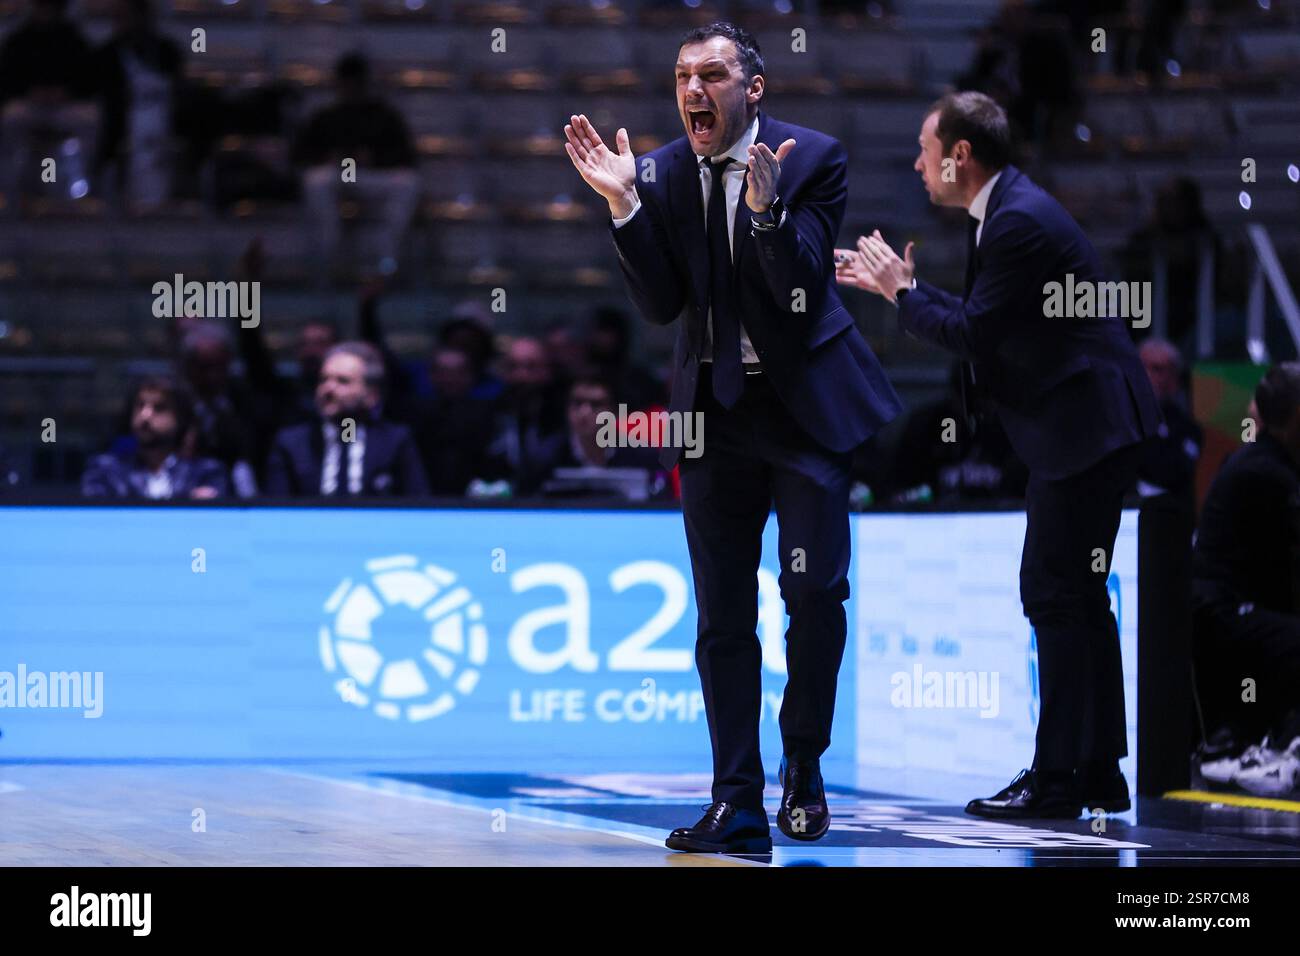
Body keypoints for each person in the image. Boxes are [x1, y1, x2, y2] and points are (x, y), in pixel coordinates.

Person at [564, 21, 902, 852]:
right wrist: (624, 205)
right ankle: (736, 801)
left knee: (814, 595)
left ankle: (805, 766)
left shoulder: (811, 157)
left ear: (752, 88)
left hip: (803, 411)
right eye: (682, 74)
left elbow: (799, 290)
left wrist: (762, 214)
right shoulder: (662, 172)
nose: (692, 89)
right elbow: (660, 303)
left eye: (711, 74)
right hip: (712, 414)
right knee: (722, 613)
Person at [838, 91, 1161, 819]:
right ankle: (1096, 772)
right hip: (1086, 428)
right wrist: (909, 290)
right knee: (1075, 600)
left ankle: (1056, 783)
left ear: (959, 156)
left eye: (926, 151)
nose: (918, 165)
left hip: (1084, 431)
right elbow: (988, 322)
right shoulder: (1007, 211)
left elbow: (975, 336)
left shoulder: (1014, 221)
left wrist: (902, 293)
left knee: (1056, 597)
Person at [1192, 364, 1300, 795]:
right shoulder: (1265, 473)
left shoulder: (1270, 463)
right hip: (1221, 616)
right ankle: (1278, 744)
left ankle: (1270, 736)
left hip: (1235, 609)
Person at [291, 52, 420, 279]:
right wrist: (327, 158)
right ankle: (330, 258)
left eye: (355, 83)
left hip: (372, 176)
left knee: (408, 182)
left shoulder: (383, 115)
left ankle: (386, 260)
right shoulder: (326, 116)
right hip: (338, 174)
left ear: (364, 84)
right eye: (346, 83)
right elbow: (300, 154)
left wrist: (375, 159)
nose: (350, 88)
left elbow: (407, 156)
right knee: (314, 180)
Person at [264, 342, 429, 497]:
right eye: (323, 380)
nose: (328, 388)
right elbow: (276, 511)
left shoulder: (395, 441)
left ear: (371, 395)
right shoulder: (292, 443)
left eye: (342, 381)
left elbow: (418, 506)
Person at [83, 376, 227, 500]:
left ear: (180, 418)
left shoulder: (205, 473)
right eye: (140, 406)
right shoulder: (105, 470)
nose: (145, 416)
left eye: (159, 408)